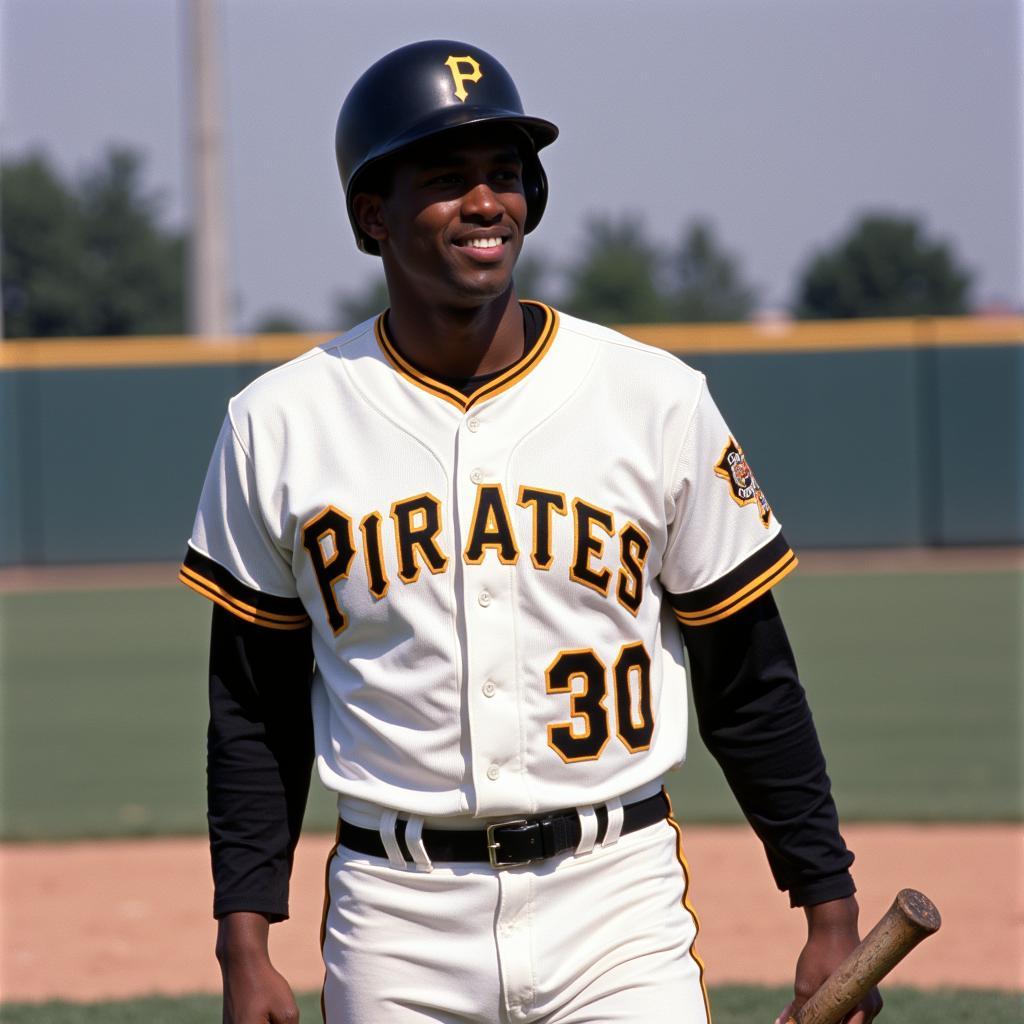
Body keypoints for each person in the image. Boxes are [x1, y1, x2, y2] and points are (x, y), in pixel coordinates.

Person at [180, 39, 883, 1024]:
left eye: (504, 175)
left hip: (614, 902)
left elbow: (748, 677)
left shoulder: (652, 399)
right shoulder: (281, 422)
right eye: (446, 178)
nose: (485, 203)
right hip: (397, 915)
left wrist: (828, 905)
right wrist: (243, 942)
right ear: (370, 214)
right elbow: (253, 712)